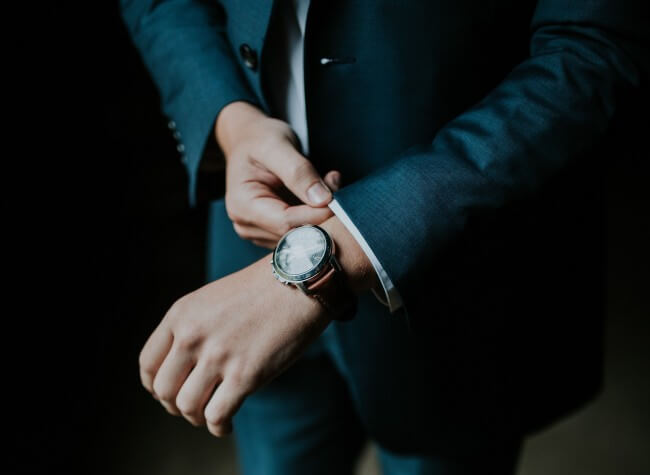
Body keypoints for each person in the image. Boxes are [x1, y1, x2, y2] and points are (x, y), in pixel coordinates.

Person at [119, 0, 648, 473]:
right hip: (245, 263)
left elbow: (595, 46)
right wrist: (230, 122)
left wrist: (347, 247)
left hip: (455, 285)